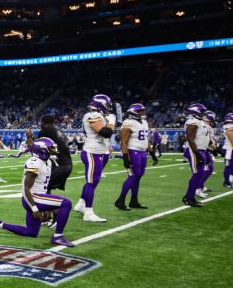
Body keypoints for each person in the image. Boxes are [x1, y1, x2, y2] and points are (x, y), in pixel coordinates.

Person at [0, 138, 76, 247]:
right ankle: (58, 236)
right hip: (32, 198)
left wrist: (46, 208)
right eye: (50, 149)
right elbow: (25, 189)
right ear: (42, 151)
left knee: (31, 232)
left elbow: (43, 187)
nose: (53, 151)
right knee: (66, 203)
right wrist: (35, 208)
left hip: (37, 197)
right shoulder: (35, 163)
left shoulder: (47, 162)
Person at [73, 94, 115, 223]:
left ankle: (81, 204)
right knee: (91, 182)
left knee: (93, 181)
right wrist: (112, 122)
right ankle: (88, 212)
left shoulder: (96, 115)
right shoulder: (93, 115)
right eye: (106, 105)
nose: (108, 108)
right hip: (92, 152)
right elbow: (105, 132)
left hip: (97, 151)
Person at [114, 103, 155, 211]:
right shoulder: (128, 123)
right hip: (133, 152)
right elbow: (123, 142)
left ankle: (134, 200)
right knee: (132, 176)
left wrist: (152, 154)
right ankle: (120, 200)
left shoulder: (144, 122)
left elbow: (146, 140)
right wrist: (126, 157)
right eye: (140, 111)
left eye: (142, 111)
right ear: (133, 112)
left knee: (138, 176)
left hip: (142, 153)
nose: (142, 113)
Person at [181, 103, 211, 208]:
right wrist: (197, 153)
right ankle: (189, 198)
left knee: (199, 174)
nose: (203, 113)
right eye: (201, 111)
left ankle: (190, 196)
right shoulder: (192, 122)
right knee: (197, 173)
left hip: (201, 150)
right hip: (195, 150)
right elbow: (190, 138)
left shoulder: (199, 122)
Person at [37, 115, 74, 192]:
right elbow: (66, 144)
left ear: (43, 122)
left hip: (58, 164)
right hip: (68, 164)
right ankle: (48, 203)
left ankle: (54, 203)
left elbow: (47, 149)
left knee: (42, 188)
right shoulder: (59, 131)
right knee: (47, 188)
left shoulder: (45, 131)